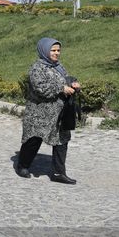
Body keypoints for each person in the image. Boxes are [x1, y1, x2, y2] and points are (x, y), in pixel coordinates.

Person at [16, 38, 81, 184]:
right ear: (45, 51)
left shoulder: (59, 67)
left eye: (58, 50)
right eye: (53, 50)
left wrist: (73, 84)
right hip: (39, 113)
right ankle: (23, 165)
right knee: (34, 140)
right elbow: (41, 88)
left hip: (59, 113)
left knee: (61, 140)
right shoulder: (37, 68)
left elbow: (65, 80)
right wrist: (61, 88)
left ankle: (58, 173)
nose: (56, 53)